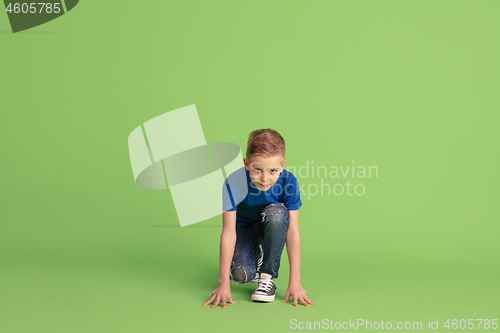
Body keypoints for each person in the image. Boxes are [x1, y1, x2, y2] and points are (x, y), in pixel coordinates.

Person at [203, 128, 315, 308]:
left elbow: (293, 231)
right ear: (246, 164)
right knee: (240, 276)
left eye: (272, 171)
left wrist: (295, 282)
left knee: (277, 214)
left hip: (272, 223)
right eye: (257, 169)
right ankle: (257, 256)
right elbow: (228, 232)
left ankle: (267, 276)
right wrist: (223, 284)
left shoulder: (289, 182)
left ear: (283, 166)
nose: (264, 178)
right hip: (244, 228)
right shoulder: (233, 182)